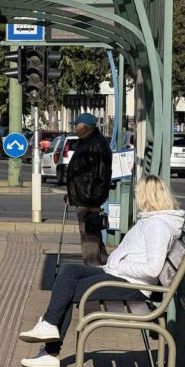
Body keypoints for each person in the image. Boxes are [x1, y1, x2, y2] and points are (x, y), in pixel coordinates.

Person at [19, 175, 185, 367]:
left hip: (132, 286)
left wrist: (119, 265)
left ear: (147, 195)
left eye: (139, 192)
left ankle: (49, 349)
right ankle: (49, 328)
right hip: (119, 276)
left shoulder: (157, 226)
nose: (136, 196)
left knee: (68, 290)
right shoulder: (152, 220)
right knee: (68, 271)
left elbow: (153, 268)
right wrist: (117, 266)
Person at [66, 113, 113, 266]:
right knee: (93, 235)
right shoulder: (86, 142)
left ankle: (92, 269)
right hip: (83, 198)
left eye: (76, 125)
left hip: (88, 200)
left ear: (85, 127)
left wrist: (94, 202)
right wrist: (71, 193)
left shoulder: (96, 145)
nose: (74, 128)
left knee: (89, 239)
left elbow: (102, 176)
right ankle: (104, 266)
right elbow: (80, 173)